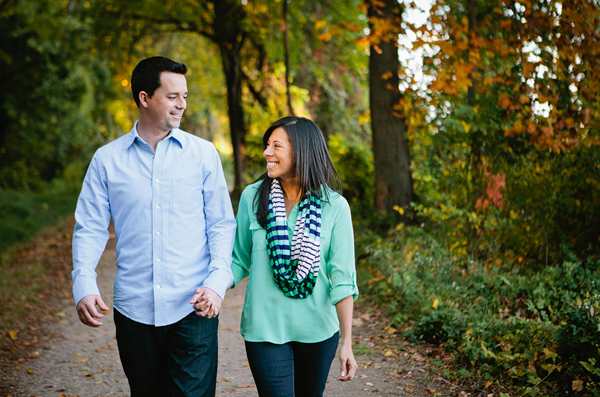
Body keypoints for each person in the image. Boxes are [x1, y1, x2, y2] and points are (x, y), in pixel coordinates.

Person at [71, 56, 236, 397]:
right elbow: (90, 226)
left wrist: (217, 283)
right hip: (134, 310)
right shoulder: (107, 159)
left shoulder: (203, 155)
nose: (182, 105)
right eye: (173, 96)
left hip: (194, 306)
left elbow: (221, 224)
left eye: (185, 96)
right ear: (145, 98)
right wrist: (84, 282)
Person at [227, 116, 359, 396]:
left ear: (301, 151)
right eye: (267, 145)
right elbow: (238, 259)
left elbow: (342, 278)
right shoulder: (252, 197)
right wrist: (211, 287)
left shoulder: (334, 206)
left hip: (318, 331)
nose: (266, 152)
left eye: (276, 146)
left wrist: (347, 341)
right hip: (264, 329)